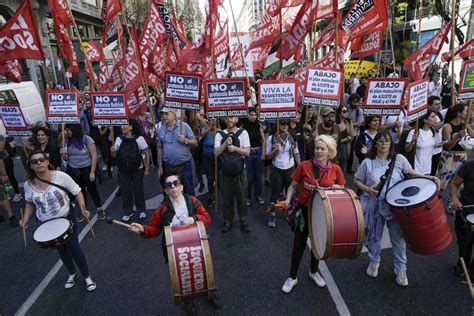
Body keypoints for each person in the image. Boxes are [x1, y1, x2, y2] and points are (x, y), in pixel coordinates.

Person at [354, 130, 438, 287]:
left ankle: (401, 269)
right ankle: (374, 261)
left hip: (396, 208)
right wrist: (367, 189)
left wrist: (429, 177)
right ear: (375, 144)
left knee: (397, 240)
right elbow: (357, 179)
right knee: (374, 237)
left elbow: (412, 173)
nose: (384, 143)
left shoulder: (399, 159)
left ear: (391, 143)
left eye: (387, 141)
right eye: (380, 141)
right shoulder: (368, 162)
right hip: (375, 206)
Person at [128, 173, 220, 311]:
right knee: (182, 278)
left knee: (203, 271)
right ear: (166, 191)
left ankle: (210, 294)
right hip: (175, 252)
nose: (173, 187)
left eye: (175, 183)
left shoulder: (192, 201)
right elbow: (153, 229)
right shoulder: (162, 209)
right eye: (169, 185)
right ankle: (187, 302)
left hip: (197, 246)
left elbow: (207, 218)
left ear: (182, 186)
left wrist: (194, 218)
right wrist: (142, 229)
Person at [19, 150, 97, 291]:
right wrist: (25, 218)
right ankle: (73, 273)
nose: (38, 163)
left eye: (41, 159)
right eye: (34, 161)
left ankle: (87, 276)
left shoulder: (61, 176)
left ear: (47, 161)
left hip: (66, 219)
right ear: (30, 166)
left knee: (74, 249)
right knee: (61, 250)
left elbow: (77, 191)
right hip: (47, 224)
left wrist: (83, 209)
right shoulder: (28, 185)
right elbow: (30, 202)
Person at [281, 135, 345, 293]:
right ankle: (292, 277)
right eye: (317, 148)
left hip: (323, 214)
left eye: (322, 148)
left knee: (318, 244)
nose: (318, 151)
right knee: (298, 246)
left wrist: (335, 187)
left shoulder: (336, 169)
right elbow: (293, 185)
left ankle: (314, 272)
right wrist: (288, 199)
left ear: (330, 152)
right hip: (303, 211)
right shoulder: (304, 165)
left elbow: (343, 189)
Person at [214, 116, 251, 233]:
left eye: (232, 118)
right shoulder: (219, 134)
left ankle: (243, 220)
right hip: (225, 173)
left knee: (242, 198)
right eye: (228, 118)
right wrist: (225, 143)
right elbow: (216, 153)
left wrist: (234, 148)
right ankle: (227, 220)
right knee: (227, 199)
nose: (230, 120)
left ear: (237, 120)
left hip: (240, 172)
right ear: (225, 120)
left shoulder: (243, 133)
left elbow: (247, 152)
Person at [61, 124, 105, 221]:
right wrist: (63, 155)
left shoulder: (87, 139)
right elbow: (66, 158)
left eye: (67, 129)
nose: (65, 132)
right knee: (79, 191)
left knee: (92, 189)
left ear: (73, 129)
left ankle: (99, 209)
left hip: (87, 168)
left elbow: (94, 155)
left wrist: (92, 172)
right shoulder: (66, 141)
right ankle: (83, 210)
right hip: (74, 169)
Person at [112, 119, 150, 221]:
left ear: (131, 127)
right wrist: (113, 151)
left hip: (138, 169)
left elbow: (147, 152)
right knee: (126, 191)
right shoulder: (118, 139)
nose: (122, 127)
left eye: (125, 125)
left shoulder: (139, 139)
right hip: (123, 170)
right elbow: (115, 156)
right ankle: (128, 211)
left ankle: (141, 210)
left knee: (138, 190)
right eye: (121, 125)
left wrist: (147, 168)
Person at [265, 120, 300, 228]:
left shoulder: (292, 136)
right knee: (275, 194)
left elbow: (296, 152)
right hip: (277, 169)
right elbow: (267, 156)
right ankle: (272, 215)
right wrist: (275, 151)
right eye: (282, 124)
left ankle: (290, 214)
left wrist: (300, 167)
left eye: (287, 124)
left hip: (290, 168)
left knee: (291, 193)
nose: (285, 126)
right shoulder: (272, 138)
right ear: (278, 124)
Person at [157, 108, 197, 195]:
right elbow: (160, 148)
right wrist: (160, 166)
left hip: (184, 166)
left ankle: (191, 208)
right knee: (172, 192)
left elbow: (195, 143)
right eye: (163, 114)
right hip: (169, 167)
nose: (164, 116)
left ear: (174, 115)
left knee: (188, 190)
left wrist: (186, 140)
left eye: (167, 114)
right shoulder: (161, 129)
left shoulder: (184, 126)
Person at [438, 103, 474, 193]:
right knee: (442, 184)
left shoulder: (464, 125)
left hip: (462, 157)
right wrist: (457, 137)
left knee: (458, 183)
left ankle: (453, 202)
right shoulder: (447, 127)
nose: (469, 113)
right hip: (449, 157)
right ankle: (437, 202)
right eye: (466, 111)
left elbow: (473, 134)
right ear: (458, 113)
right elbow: (448, 146)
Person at [450, 159, 474, 280]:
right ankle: (463, 265)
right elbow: (454, 183)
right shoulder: (469, 165)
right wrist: (455, 199)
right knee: (464, 242)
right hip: (466, 210)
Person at [405, 110, 440, 175]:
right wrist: (412, 140)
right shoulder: (415, 131)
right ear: (425, 120)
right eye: (432, 117)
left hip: (427, 169)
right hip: (416, 169)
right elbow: (407, 149)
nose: (435, 119)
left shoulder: (432, 131)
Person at [242, 108, 265, 206]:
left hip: (258, 151)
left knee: (258, 177)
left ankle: (258, 196)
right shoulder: (244, 126)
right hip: (249, 153)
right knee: (249, 177)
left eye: (255, 115)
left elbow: (263, 140)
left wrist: (263, 153)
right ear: (247, 116)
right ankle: (248, 197)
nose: (253, 117)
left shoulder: (258, 125)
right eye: (251, 115)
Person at [0, 138, 18, 226]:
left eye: (3, 146)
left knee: (2, 195)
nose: (2, 148)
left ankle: (11, 216)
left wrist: (3, 174)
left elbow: (0, 161)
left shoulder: (2, 152)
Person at [347, 94, 365, 173]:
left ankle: (349, 168)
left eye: (357, 102)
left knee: (351, 152)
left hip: (354, 134)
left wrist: (347, 123)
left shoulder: (359, 111)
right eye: (354, 102)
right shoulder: (346, 109)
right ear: (350, 101)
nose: (356, 104)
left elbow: (359, 124)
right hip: (343, 132)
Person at [336, 104, 355, 172]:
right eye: (344, 111)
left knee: (341, 168)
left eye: (347, 111)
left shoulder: (348, 122)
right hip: (335, 148)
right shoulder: (334, 123)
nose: (346, 113)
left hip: (345, 148)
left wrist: (341, 141)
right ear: (339, 112)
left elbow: (351, 136)